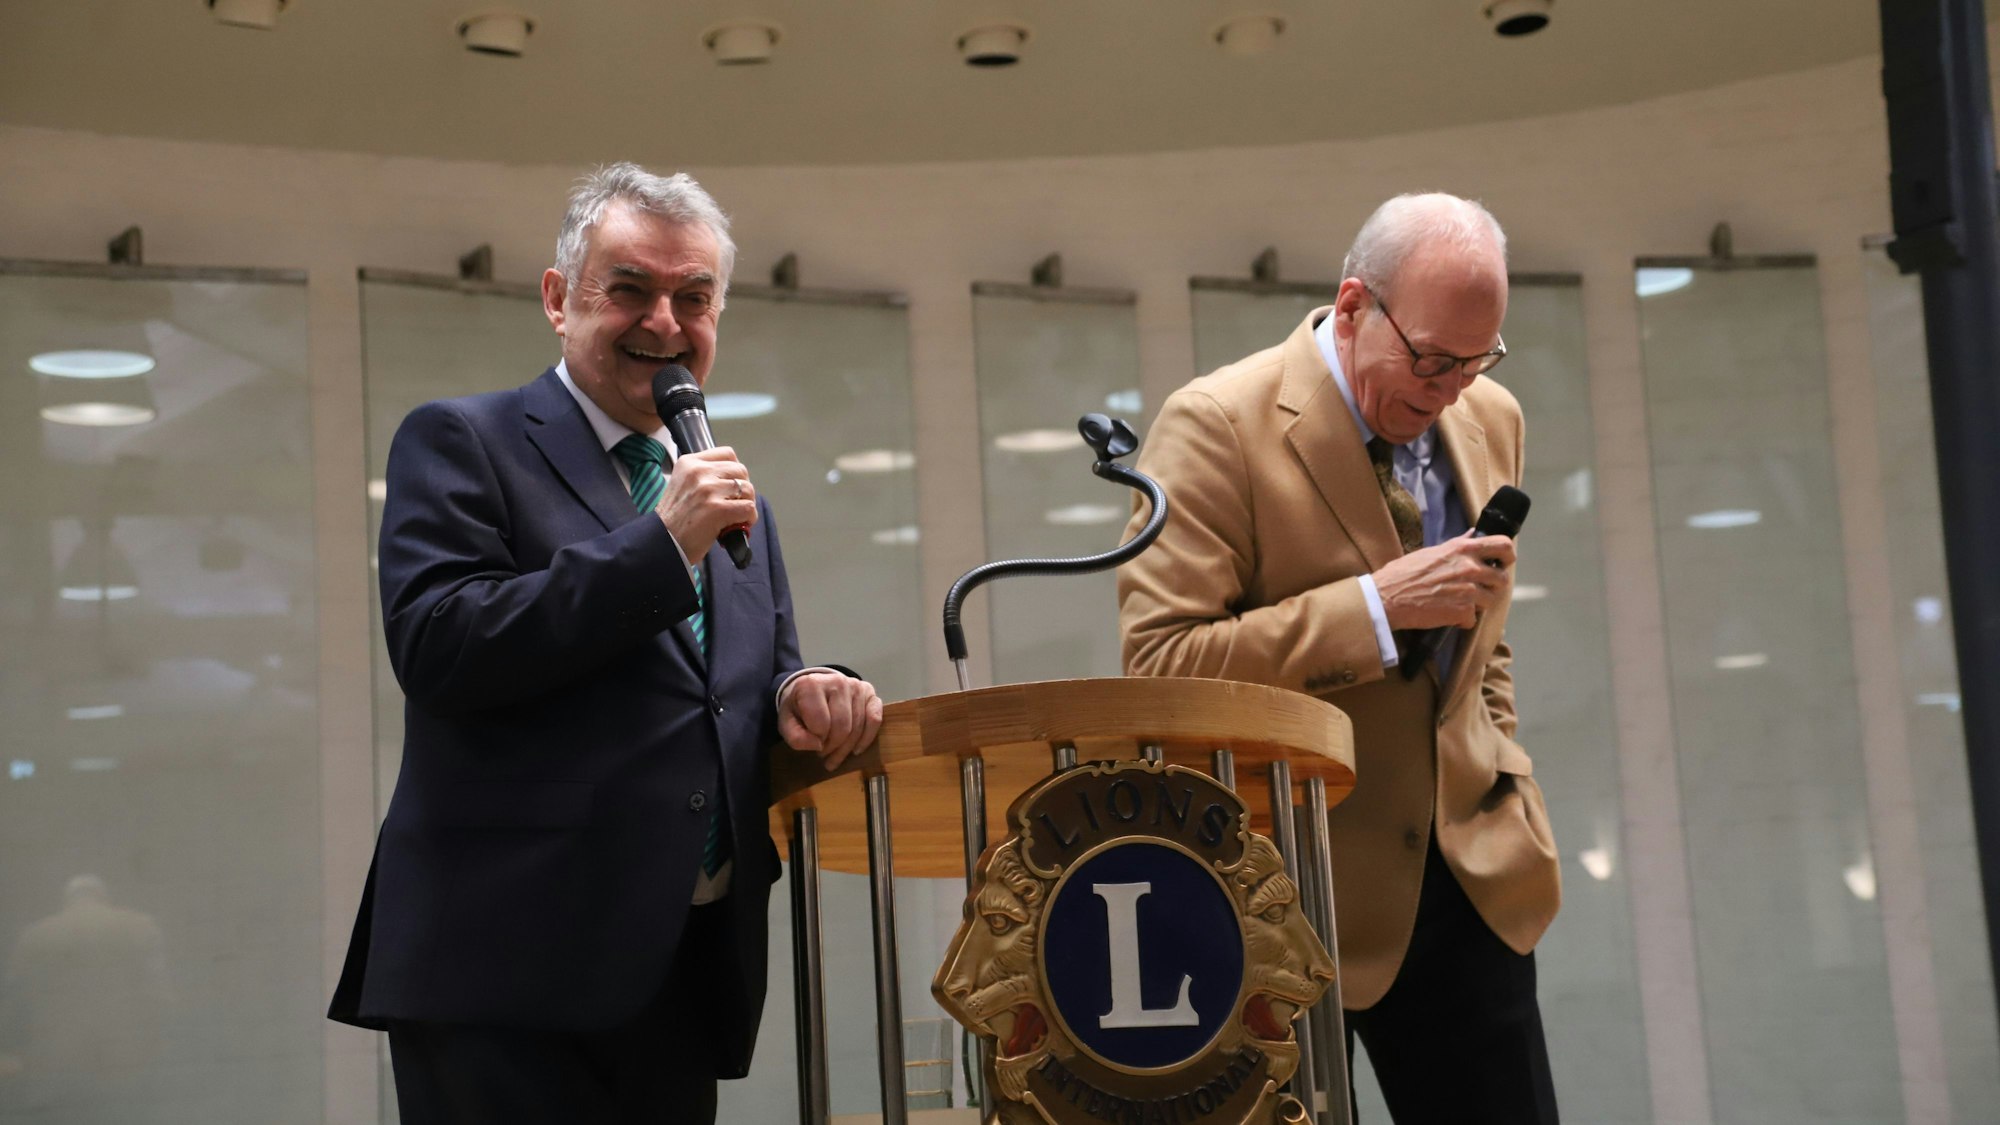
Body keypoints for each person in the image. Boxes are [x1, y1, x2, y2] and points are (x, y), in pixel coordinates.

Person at [329, 162, 884, 1124]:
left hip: (680, 967)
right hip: (505, 977)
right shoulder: (464, 440)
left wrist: (809, 691)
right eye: (630, 288)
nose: (664, 322)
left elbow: (742, 680)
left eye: (693, 297)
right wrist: (662, 545)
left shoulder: (722, 490)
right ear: (559, 298)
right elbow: (439, 645)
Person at [1117, 193, 1561, 1122]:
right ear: (1355, 305)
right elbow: (1160, 667)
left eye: (1478, 361)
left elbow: (1486, 639)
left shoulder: (1494, 417)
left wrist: (1500, 765)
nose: (1449, 388)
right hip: (1282, 897)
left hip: (1474, 876)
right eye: (1433, 358)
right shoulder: (1215, 423)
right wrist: (1373, 611)